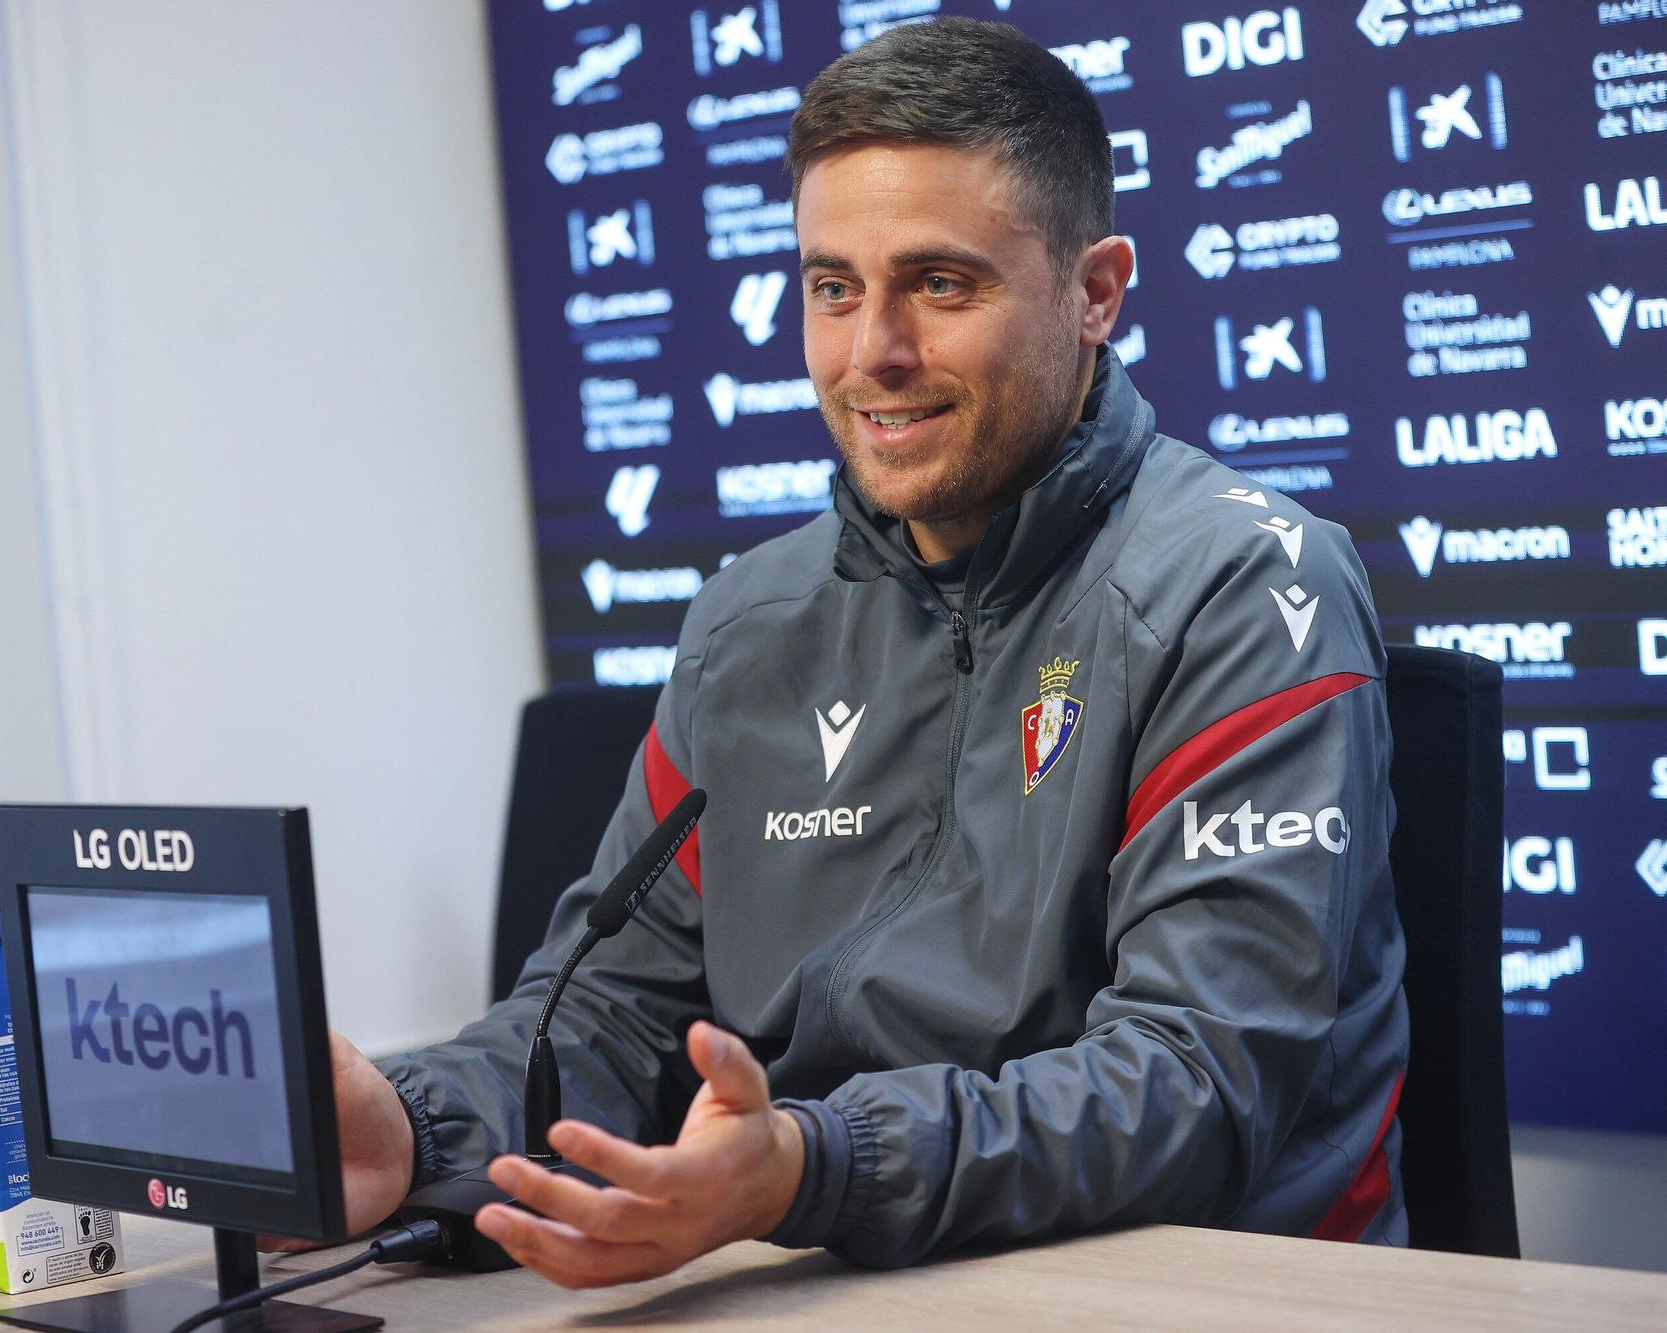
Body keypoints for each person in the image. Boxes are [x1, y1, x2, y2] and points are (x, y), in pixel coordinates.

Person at [322, 18, 1409, 1286]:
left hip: (1193, 1295)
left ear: (1095, 289)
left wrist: (809, 1162)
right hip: (830, 1271)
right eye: (831, 286)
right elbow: (608, 1012)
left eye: (939, 284)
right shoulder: (745, 622)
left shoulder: (1238, 580)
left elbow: (1193, 1084)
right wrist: (409, 1127)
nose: (868, 353)